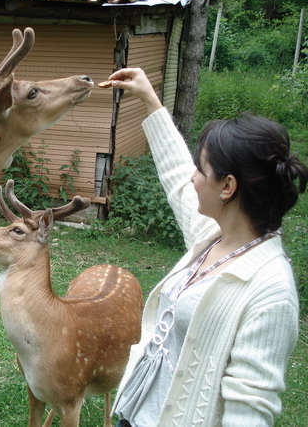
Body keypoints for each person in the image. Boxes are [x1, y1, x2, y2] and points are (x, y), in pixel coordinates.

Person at [106, 68, 307, 426]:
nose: (191, 177)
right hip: (133, 415)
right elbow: (174, 175)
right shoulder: (212, 237)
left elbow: (249, 410)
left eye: (200, 169)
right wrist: (149, 100)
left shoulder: (270, 292)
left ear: (227, 187)